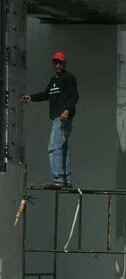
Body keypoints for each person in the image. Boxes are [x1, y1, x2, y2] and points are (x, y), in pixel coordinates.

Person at [22, 51, 79, 188]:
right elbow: (46, 94)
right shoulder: (54, 80)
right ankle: (66, 179)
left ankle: (58, 179)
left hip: (62, 117)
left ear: (64, 64)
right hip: (57, 117)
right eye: (55, 62)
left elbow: (74, 96)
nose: (58, 65)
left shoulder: (68, 78)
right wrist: (32, 97)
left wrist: (67, 110)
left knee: (54, 147)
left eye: (60, 62)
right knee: (63, 148)